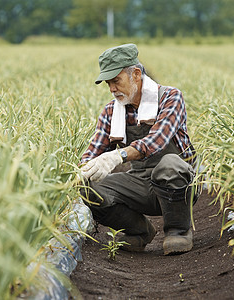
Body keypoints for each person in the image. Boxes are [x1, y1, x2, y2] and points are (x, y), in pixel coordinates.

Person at [80, 43, 199, 255]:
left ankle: (179, 230)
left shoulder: (170, 98)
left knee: (169, 165)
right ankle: (139, 231)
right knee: (88, 189)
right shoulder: (111, 111)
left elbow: (157, 140)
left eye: (116, 81)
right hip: (140, 183)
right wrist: (82, 170)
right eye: (108, 83)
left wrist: (117, 156)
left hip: (179, 183)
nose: (112, 89)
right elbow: (93, 150)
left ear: (135, 74)